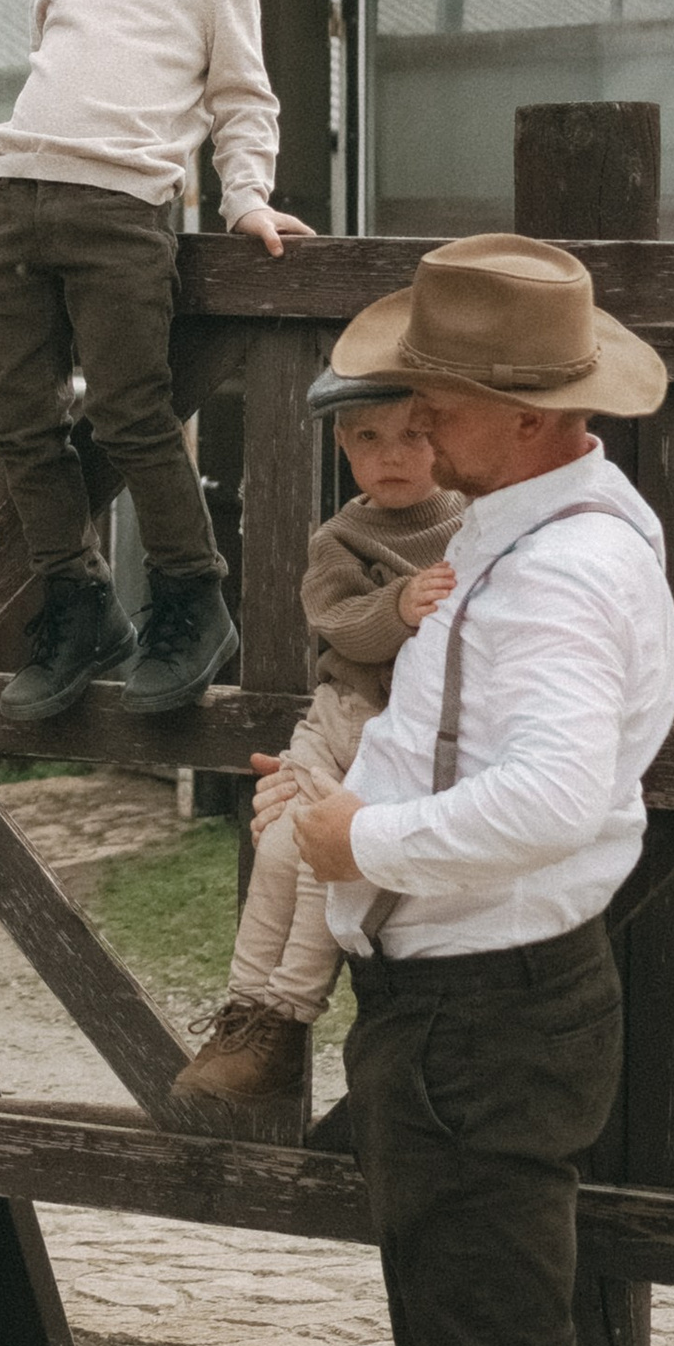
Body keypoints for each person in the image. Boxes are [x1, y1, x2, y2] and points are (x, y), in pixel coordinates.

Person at [250, 235, 674, 1346]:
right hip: (478, 1006)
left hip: (489, 1012)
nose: (409, 408)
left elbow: (561, 794)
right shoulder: (545, 531)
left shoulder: (559, 570)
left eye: (437, 388)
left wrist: (365, 832)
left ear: (514, 411)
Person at [0, 0, 310, 727]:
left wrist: (245, 197)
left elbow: (241, 97)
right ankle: (77, 600)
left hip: (123, 217)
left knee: (129, 414)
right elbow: (54, 87)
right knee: (17, 418)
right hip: (18, 205)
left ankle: (193, 599)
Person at [171, 386, 464, 1122]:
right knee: (279, 842)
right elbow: (342, 628)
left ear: (443, 435)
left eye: (410, 438)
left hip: (394, 733)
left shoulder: (472, 527)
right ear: (341, 447)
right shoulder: (339, 538)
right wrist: (398, 606)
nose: (390, 457)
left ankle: (287, 1017)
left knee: (312, 852)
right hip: (335, 717)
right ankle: (243, 1016)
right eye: (367, 440)